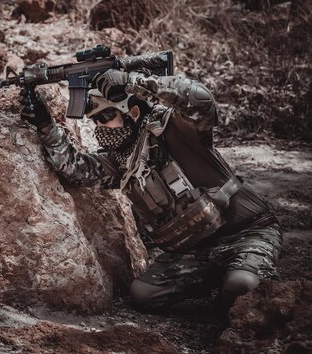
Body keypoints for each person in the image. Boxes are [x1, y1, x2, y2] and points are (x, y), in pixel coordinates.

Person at [19, 68, 282, 312]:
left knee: (242, 285)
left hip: (247, 232)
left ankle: (234, 285)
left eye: (106, 116)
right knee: (143, 294)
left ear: (132, 112)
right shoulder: (123, 161)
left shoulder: (177, 129)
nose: (100, 126)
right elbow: (75, 169)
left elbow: (201, 100)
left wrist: (131, 81)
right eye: (95, 120)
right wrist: (45, 125)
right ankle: (217, 279)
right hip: (195, 250)